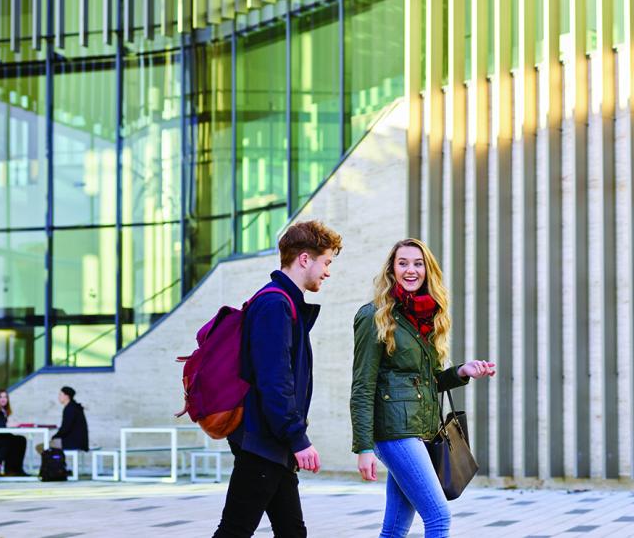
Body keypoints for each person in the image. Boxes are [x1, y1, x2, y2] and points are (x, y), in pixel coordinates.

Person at [350, 238, 496, 538]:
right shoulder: (374, 315)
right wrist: (363, 446)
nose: (410, 270)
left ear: (427, 270)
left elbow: (428, 382)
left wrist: (462, 371)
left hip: (420, 430)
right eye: (402, 263)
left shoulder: (425, 318)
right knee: (439, 516)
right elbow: (362, 386)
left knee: (394, 529)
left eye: (418, 264)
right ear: (392, 269)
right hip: (394, 433)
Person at [213, 220, 343, 538]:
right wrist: (298, 438)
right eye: (325, 262)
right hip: (263, 441)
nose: (327, 271)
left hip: (271, 442)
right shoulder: (275, 304)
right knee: (234, 531)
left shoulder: (282, 302)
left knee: (291, 532)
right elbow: (275, 381)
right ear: (304, 259)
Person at [52, 386, 89, 451]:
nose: (59, 397)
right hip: (80, 442)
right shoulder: (74, 406)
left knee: (44, 446)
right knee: (53, 443)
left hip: (74, 443)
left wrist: (55, 437)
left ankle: (55, 461)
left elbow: (65, 428)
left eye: (60, 395)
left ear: (66, 396)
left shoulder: (70, 409)